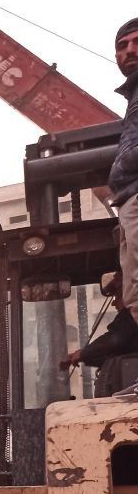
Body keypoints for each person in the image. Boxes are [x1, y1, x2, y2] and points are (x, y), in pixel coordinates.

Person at [113, 18, 138, 323]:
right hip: (129, 198)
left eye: (137, 42)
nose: (129, 50)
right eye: (122, 46)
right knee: (134, 297)